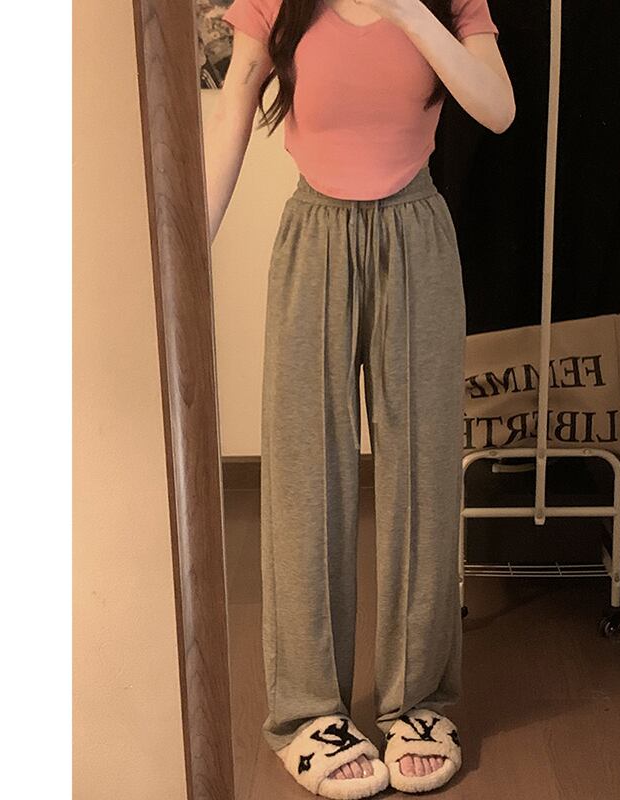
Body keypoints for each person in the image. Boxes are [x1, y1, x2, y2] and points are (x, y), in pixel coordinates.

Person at [204, 0, 514, 795]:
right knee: (306, 478)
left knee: (423, 475)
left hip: (417, 231)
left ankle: (419, 698)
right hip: (315, 237)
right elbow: (233, 111)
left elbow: (497, 108)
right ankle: (309, 710)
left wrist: (412, 11)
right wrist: (181, 254)